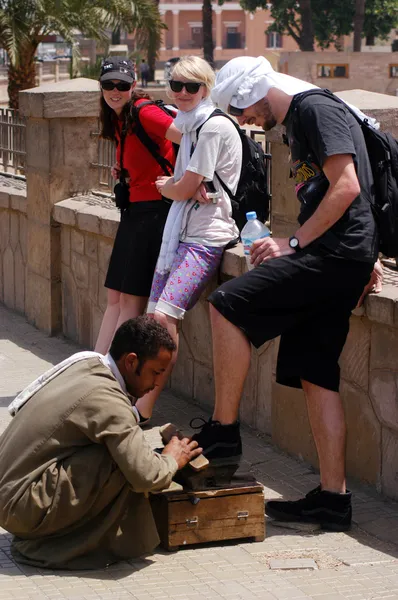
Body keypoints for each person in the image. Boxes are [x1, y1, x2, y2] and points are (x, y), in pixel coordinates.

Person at [190, 56, 383, 532]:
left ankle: (223, 433)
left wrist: (292, 242)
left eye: (243, 110)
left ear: (255, 92)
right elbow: (353, 191)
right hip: (345, 257)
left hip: (331, 256)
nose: (245, 121)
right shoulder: (301, 119)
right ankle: (333, 502)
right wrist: (369, 250)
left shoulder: (315, 110)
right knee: (318, 375)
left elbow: (348, 184)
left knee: (227, 305)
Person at [0, 316, 202, 570]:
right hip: (19, 508)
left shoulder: (88, 362)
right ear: (131, 361)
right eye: (155, 372)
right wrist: (172, 458)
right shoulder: (108, 400)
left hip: (11, 495)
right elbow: (146, 475)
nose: (156, 384)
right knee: (122, 462)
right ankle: (53, 547)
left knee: (122, 449)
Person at [134, 56, 242, 424]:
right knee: (153, 318)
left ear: (206, 89)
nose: (182, 93)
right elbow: (190, 185)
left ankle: (143, 409)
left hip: (205, 238)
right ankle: (138, 403)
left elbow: (186, 185)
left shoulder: (210, 127)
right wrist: (181, 189)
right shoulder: (189, 124)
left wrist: (170, 189)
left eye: (191, 87)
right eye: (176, 85)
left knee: (164, 319)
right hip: (183, 232)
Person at [94, 56, 181, 357]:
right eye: (109, 84)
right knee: (114, 297)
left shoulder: (144, 113)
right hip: (134, 212)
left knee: (131, 301)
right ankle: (95, 368)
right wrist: (125, 172)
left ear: (133, 85)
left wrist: (187, 180)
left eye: (122, 84)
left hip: (155, 213)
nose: (115, 90)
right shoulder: (120, 120)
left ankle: (114, 378)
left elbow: (190, 136)